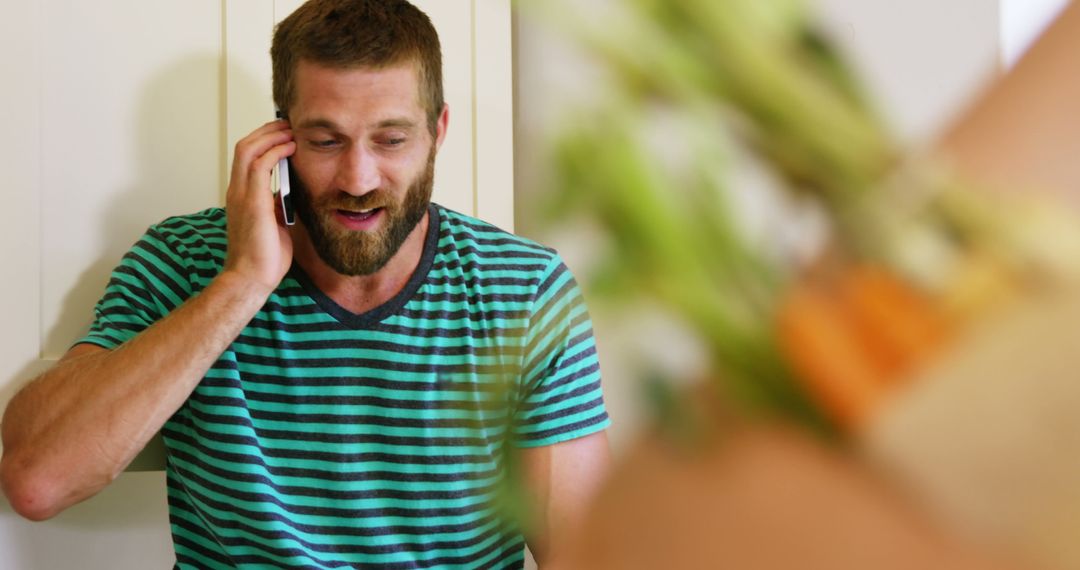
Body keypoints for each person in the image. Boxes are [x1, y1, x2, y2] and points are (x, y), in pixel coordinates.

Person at [0, 1, 610, 568]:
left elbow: (588, 552)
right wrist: (242, 283)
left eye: (391, 139)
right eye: (325, 141)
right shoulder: (183, 262)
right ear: (278, 139)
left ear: (438, 132)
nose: (358, 177)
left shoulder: (524, 290)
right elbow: (37, 478)